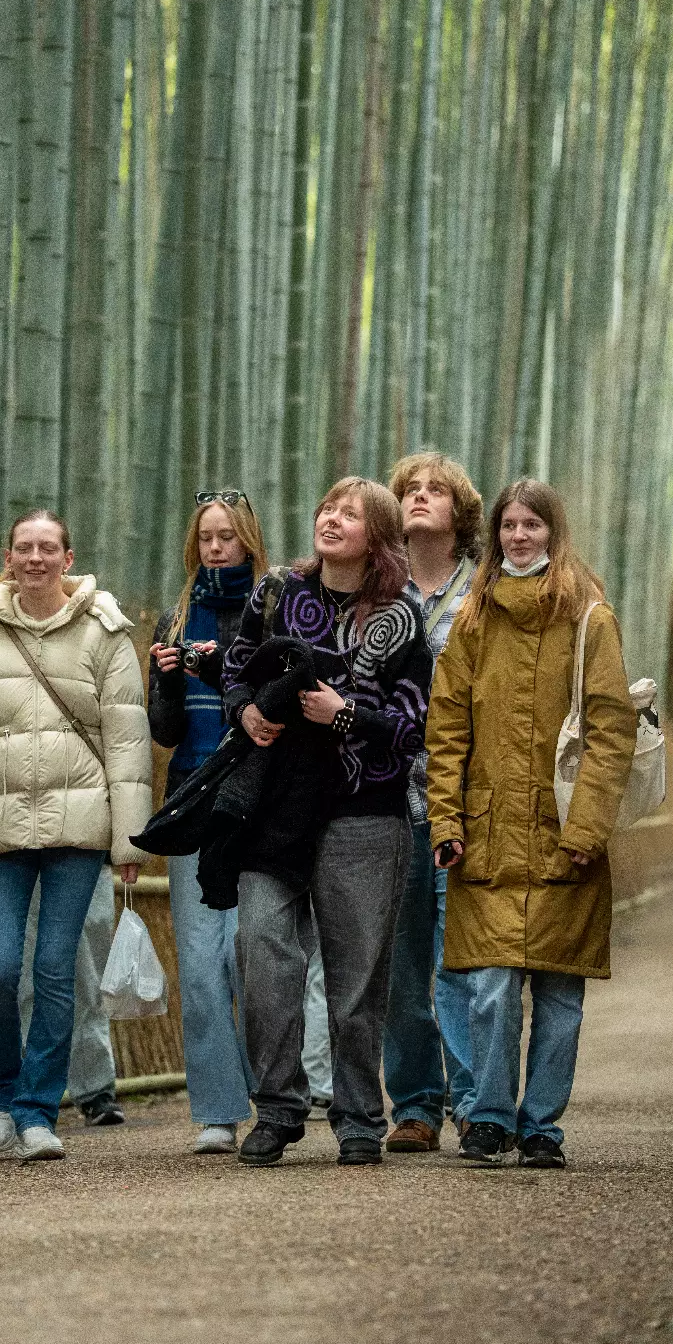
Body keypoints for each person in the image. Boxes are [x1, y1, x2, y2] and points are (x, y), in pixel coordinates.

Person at [222, 477, 433, 1168]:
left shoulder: (400, 617)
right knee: (260, 945)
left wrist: (345, 715)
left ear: (378, 536)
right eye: (328, 508)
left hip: (364, 812)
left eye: (350, 513)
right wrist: (245, 710)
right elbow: (235, 666)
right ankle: (278, 1108)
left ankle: (359, 1116)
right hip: (277, 807)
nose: (332, 519)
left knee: (356, 976)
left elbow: (414, 725)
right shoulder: (278, 591)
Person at [425, 479, 636, 1168]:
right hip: (486, 832)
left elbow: (611, 727)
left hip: (564, 831)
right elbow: (446, 728)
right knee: (488, 988)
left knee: (559, 991)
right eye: (509, 525)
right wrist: (445, 820)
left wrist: (588, 827)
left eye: (532, 525)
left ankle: (542, 1124)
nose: (519, 536)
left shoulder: (589, 616)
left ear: (554, 532)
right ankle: (488, 1117)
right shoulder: (474, 618)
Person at [0, 510, 151, 1161]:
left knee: (55, 971)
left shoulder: (105, 632)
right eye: (24, 547)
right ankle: (0, 1093)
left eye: (47, 547)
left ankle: (36, 1110)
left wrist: (129, 842)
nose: (35, 557)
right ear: (8, 557)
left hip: (77, 831)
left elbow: (127, 742)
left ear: (67, 557)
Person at [148, 490, 268, 1155]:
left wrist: (226, 671)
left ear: (249, 539)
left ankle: (272, 1092)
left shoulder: (277, 607)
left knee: (247, 955)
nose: (216, 548)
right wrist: (166, 679)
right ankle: (218, 1111)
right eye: (206, 537)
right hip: (194, 796)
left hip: (256, 800)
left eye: (227, 536)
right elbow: (164, 731)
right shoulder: (175, 617)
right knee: (198, 966)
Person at [382, 452, 483, 1154]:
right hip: (387, 802)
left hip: (462, 802)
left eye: (435, 490)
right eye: (409, 490)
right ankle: (416, 1103)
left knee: (461, 959)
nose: (420, 498)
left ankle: (475, 1102)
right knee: (399, 965)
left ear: (460, 511)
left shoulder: (483, 594)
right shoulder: (377, 591)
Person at [19, 866, 125, 1126]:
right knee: (27, 972)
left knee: (90, 976)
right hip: (21, 853)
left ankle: (94, 1088)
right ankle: (31, 1091)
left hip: (89, 853)